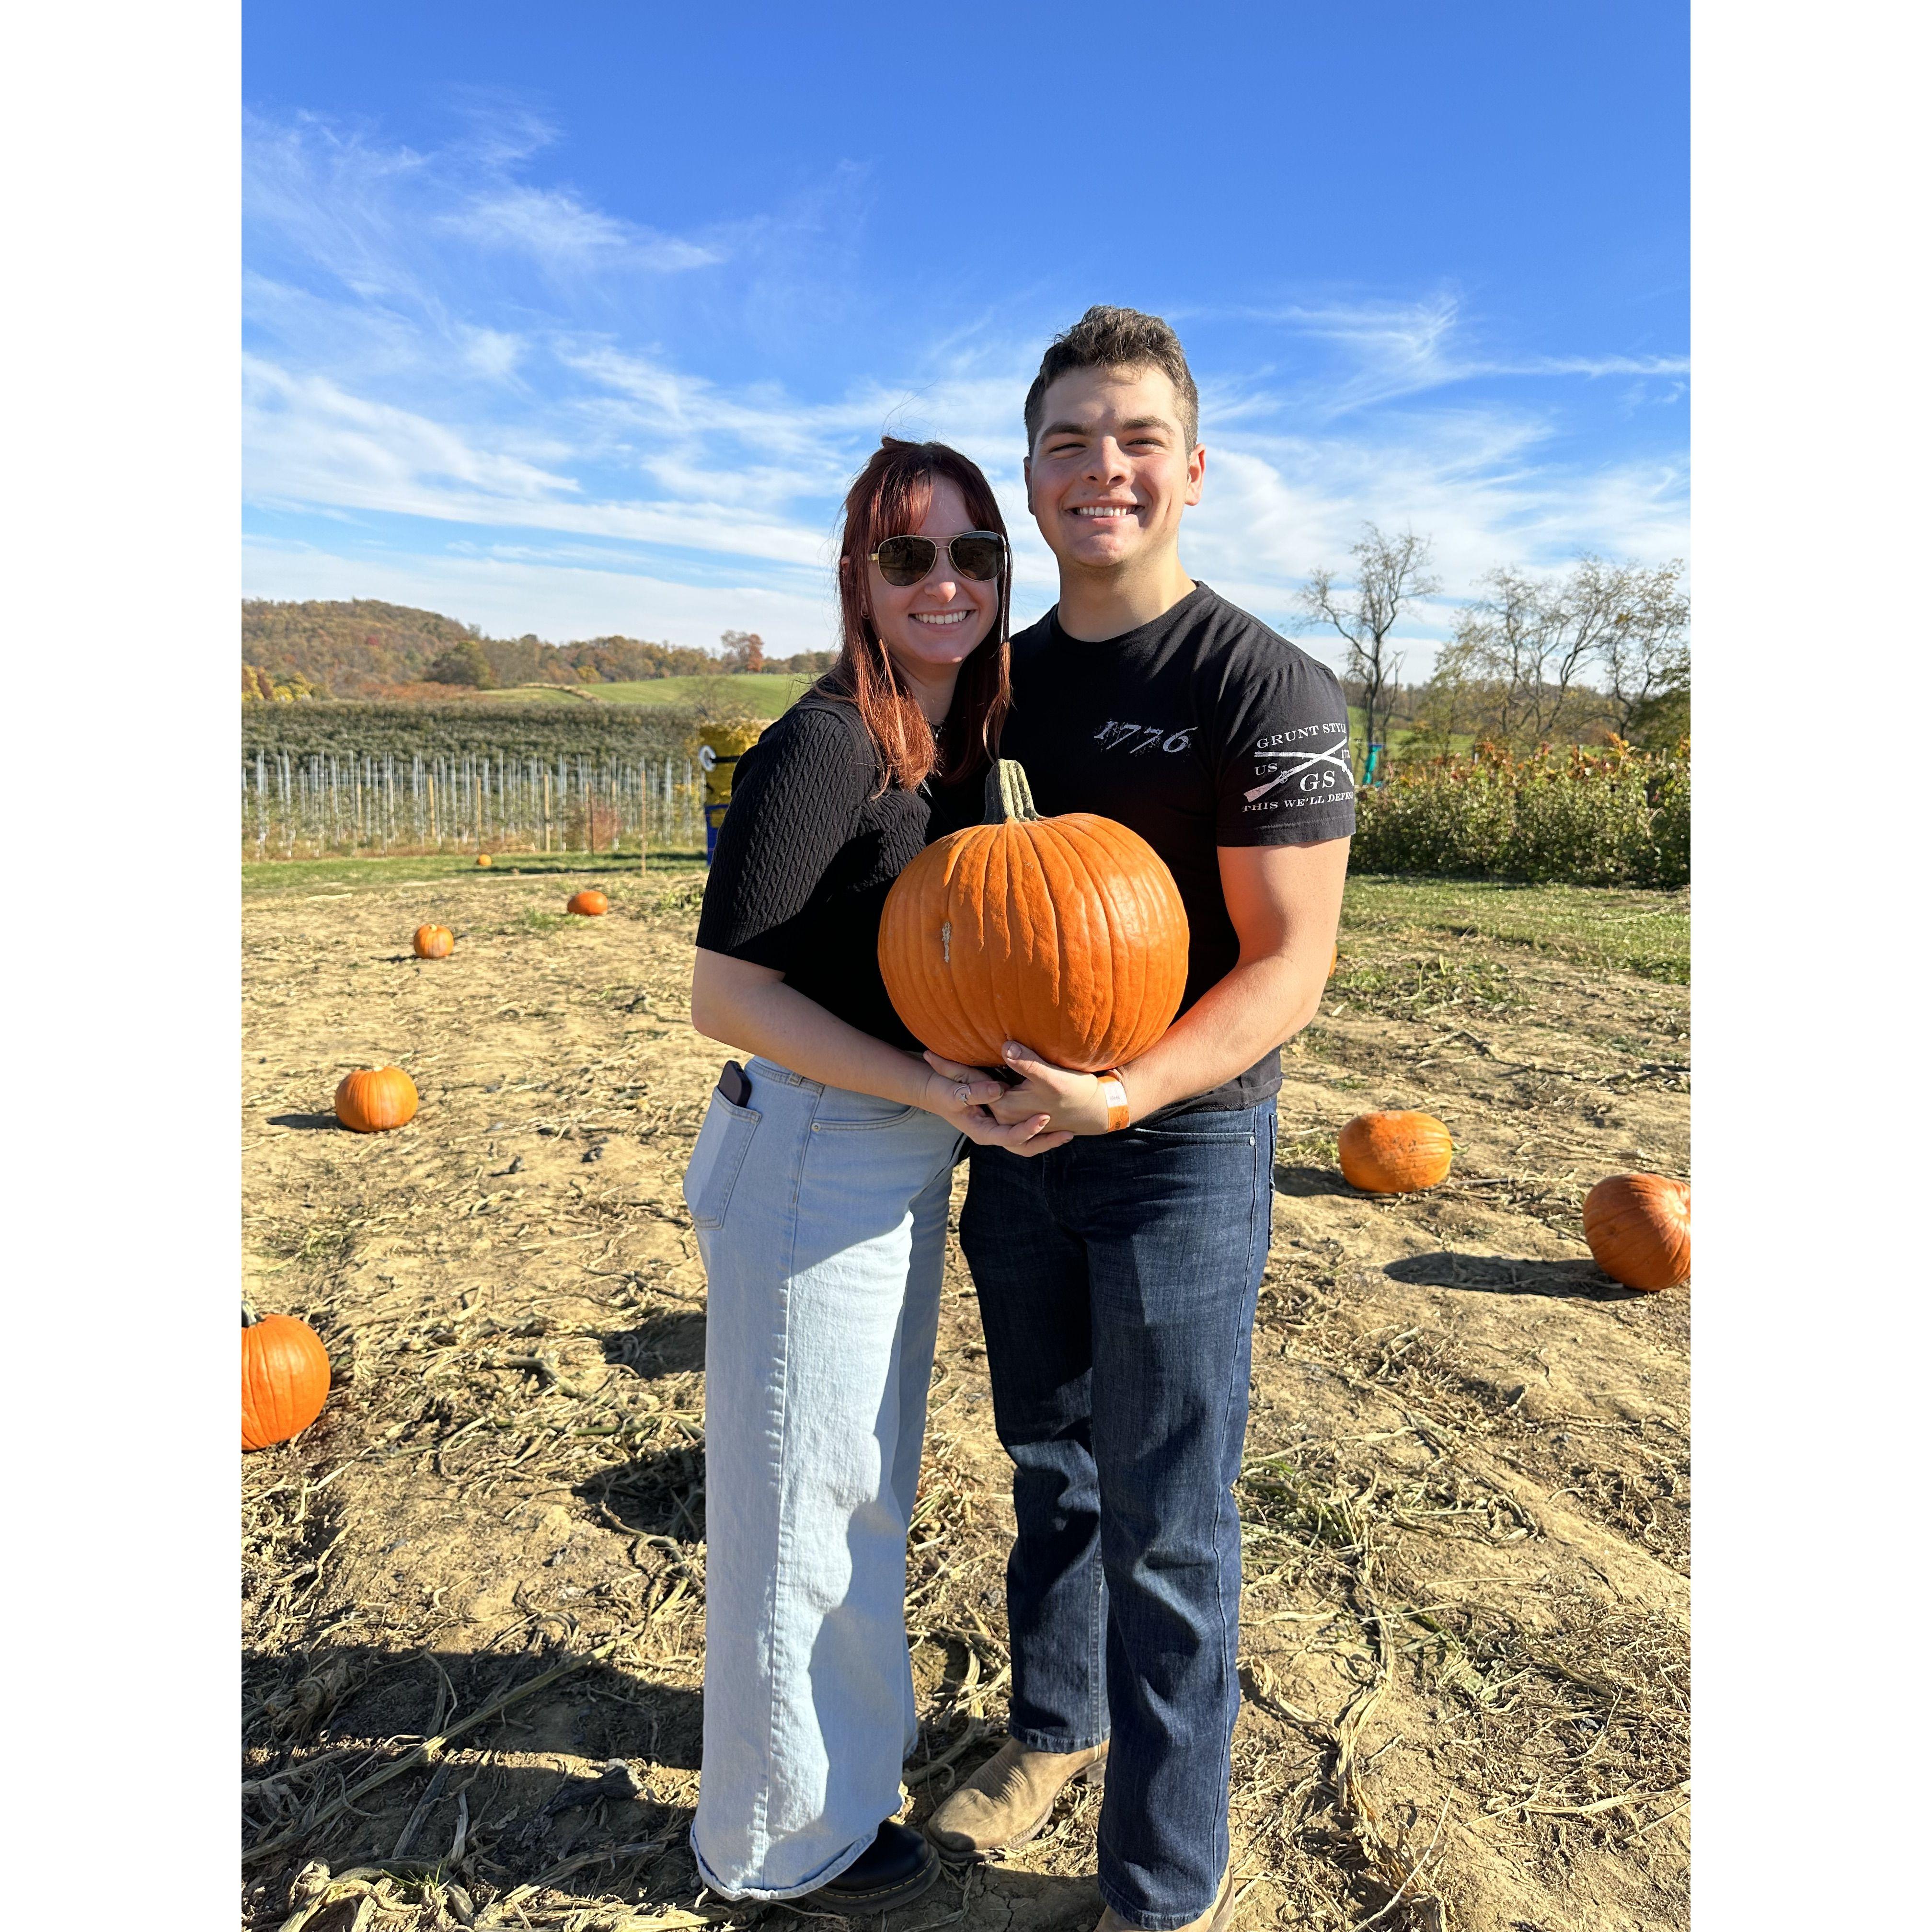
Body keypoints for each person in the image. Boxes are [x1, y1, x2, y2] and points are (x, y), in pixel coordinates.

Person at [921, 309, 1355, 1932]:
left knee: (1171, 1517)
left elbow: (1290, 962)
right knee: (1051, 1461)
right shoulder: (989, 688)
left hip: (1177, 1141)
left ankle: (1160, 1888)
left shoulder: (1263, 683)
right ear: (1030, 476)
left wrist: (1123, 1093)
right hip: (1009, 1129)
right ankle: (1055, 1722)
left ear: (1192, 468)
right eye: (1068, 441)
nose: (1102, 467)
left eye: (1135, 439)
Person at [682, 438, 1070, 1917]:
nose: (948, 581)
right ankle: (776, 1848)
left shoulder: (944, 737)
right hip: (812, 1147)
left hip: (889, 1147)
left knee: (854, 1485)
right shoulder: (834, 736)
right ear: (859, 575)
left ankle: (824, 1777)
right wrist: (929, 1086)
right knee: (805, 1500)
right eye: (909, 556)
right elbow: (728, 992)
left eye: (977, 553)